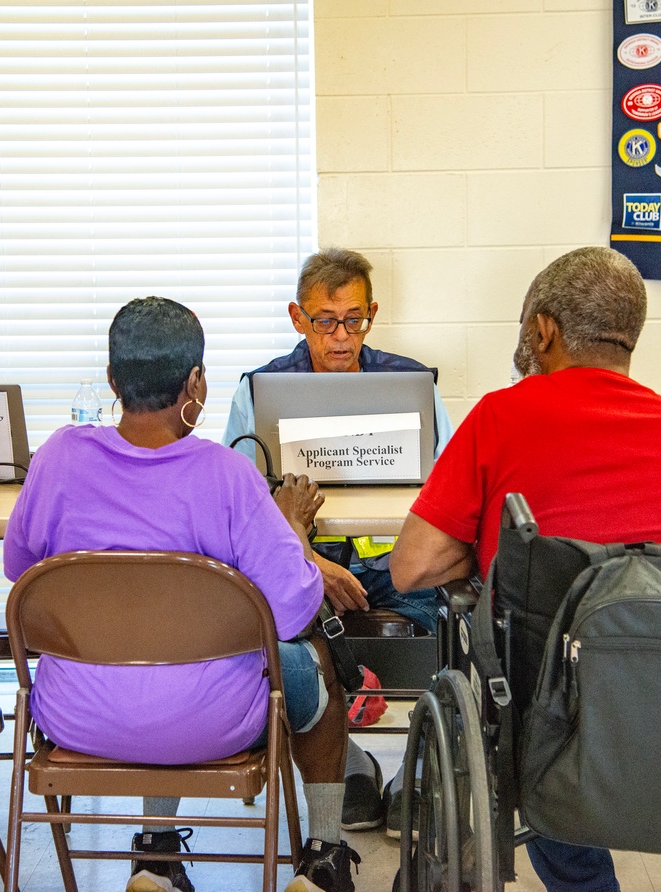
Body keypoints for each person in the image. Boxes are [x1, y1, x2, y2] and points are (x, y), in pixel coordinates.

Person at [389, 246, 661, 892]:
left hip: (562, 724)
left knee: (533, 703)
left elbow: (412, 567)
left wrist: (479, 550)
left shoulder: (501, 418)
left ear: (543, 330)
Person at [4, 297, 360, 892]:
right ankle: (324, 858)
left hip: (75, 716)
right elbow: (295, 611)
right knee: (313, 664)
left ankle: (154, 857)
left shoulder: (58, 460)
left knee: (145, 649)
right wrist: (292, 527)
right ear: (195, 381)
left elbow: (20, 567)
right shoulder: (227, 474)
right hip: (213, 720)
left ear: (114, 380)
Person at [222, 246, 454, 831]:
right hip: (308, 575)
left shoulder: (413, 385)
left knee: (448, 640)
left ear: (371, 314)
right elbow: (238, 511)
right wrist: (309, 566)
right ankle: (350, 767)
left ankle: (415, 773)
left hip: (396, 571)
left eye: (353, 319)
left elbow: (450, 491)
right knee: (292, 636)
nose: (340, 337)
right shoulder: (258, 390)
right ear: (298, 319)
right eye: (324, 321)